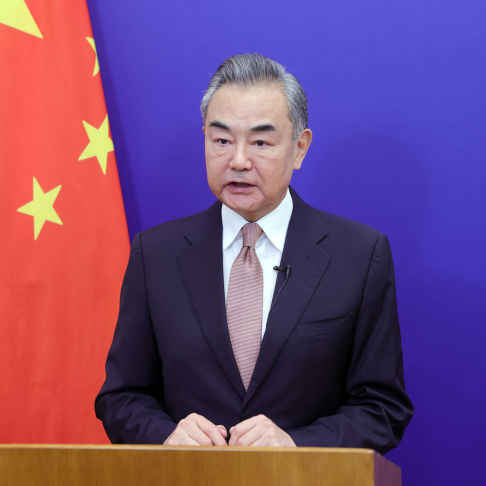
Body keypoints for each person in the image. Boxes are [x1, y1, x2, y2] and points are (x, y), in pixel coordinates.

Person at [95, 53, 413, 452]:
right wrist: (166, 436)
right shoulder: (156, 254)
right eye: (222, 141)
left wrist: (295, 446)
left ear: (300, 148)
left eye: (261, 142)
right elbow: (121, 397)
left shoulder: (360, 255)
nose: (239, 161)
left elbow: (383, 408)